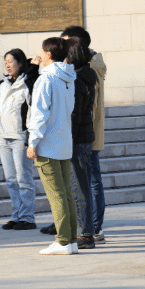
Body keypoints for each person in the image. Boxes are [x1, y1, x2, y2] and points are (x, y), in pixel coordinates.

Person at [0, 49, 41, 230]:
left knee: (23, 179)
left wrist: (33, 68)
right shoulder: (3, 84)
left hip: (20, 138)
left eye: (11, 61)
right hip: (3, 138)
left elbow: (34, 85)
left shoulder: (28, 83)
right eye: (5, 61)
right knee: (11, 180)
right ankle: (16, 216)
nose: (7, 64)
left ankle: (27, 218)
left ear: (20, 63)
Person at [27, 38, 77, 255]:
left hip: (48, 144)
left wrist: (32, 142)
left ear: (48, 54)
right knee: (66, 193)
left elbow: (39, 114)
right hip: (64, 142)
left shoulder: (46, 78)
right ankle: (71, 240)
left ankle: (63, 241)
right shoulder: (68, 78)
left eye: (42, 51)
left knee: (56, 194)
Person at [62, 26, 107, 245]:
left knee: (87, 183)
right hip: (88, 133)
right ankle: (89, 227)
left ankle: (91, 228)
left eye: (66, 44)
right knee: (87, 182)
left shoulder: (87, 71)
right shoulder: (89, 69)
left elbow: (82, 111)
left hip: (85, 134)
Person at [64, 38, 98, 249]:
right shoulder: (87, 75)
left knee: (78, 189)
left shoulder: (76, 80)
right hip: (84, 138)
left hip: (77, 140)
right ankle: (86, 232)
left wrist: (68, 142)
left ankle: (85, 235)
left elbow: (75, 116)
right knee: (82, 186)